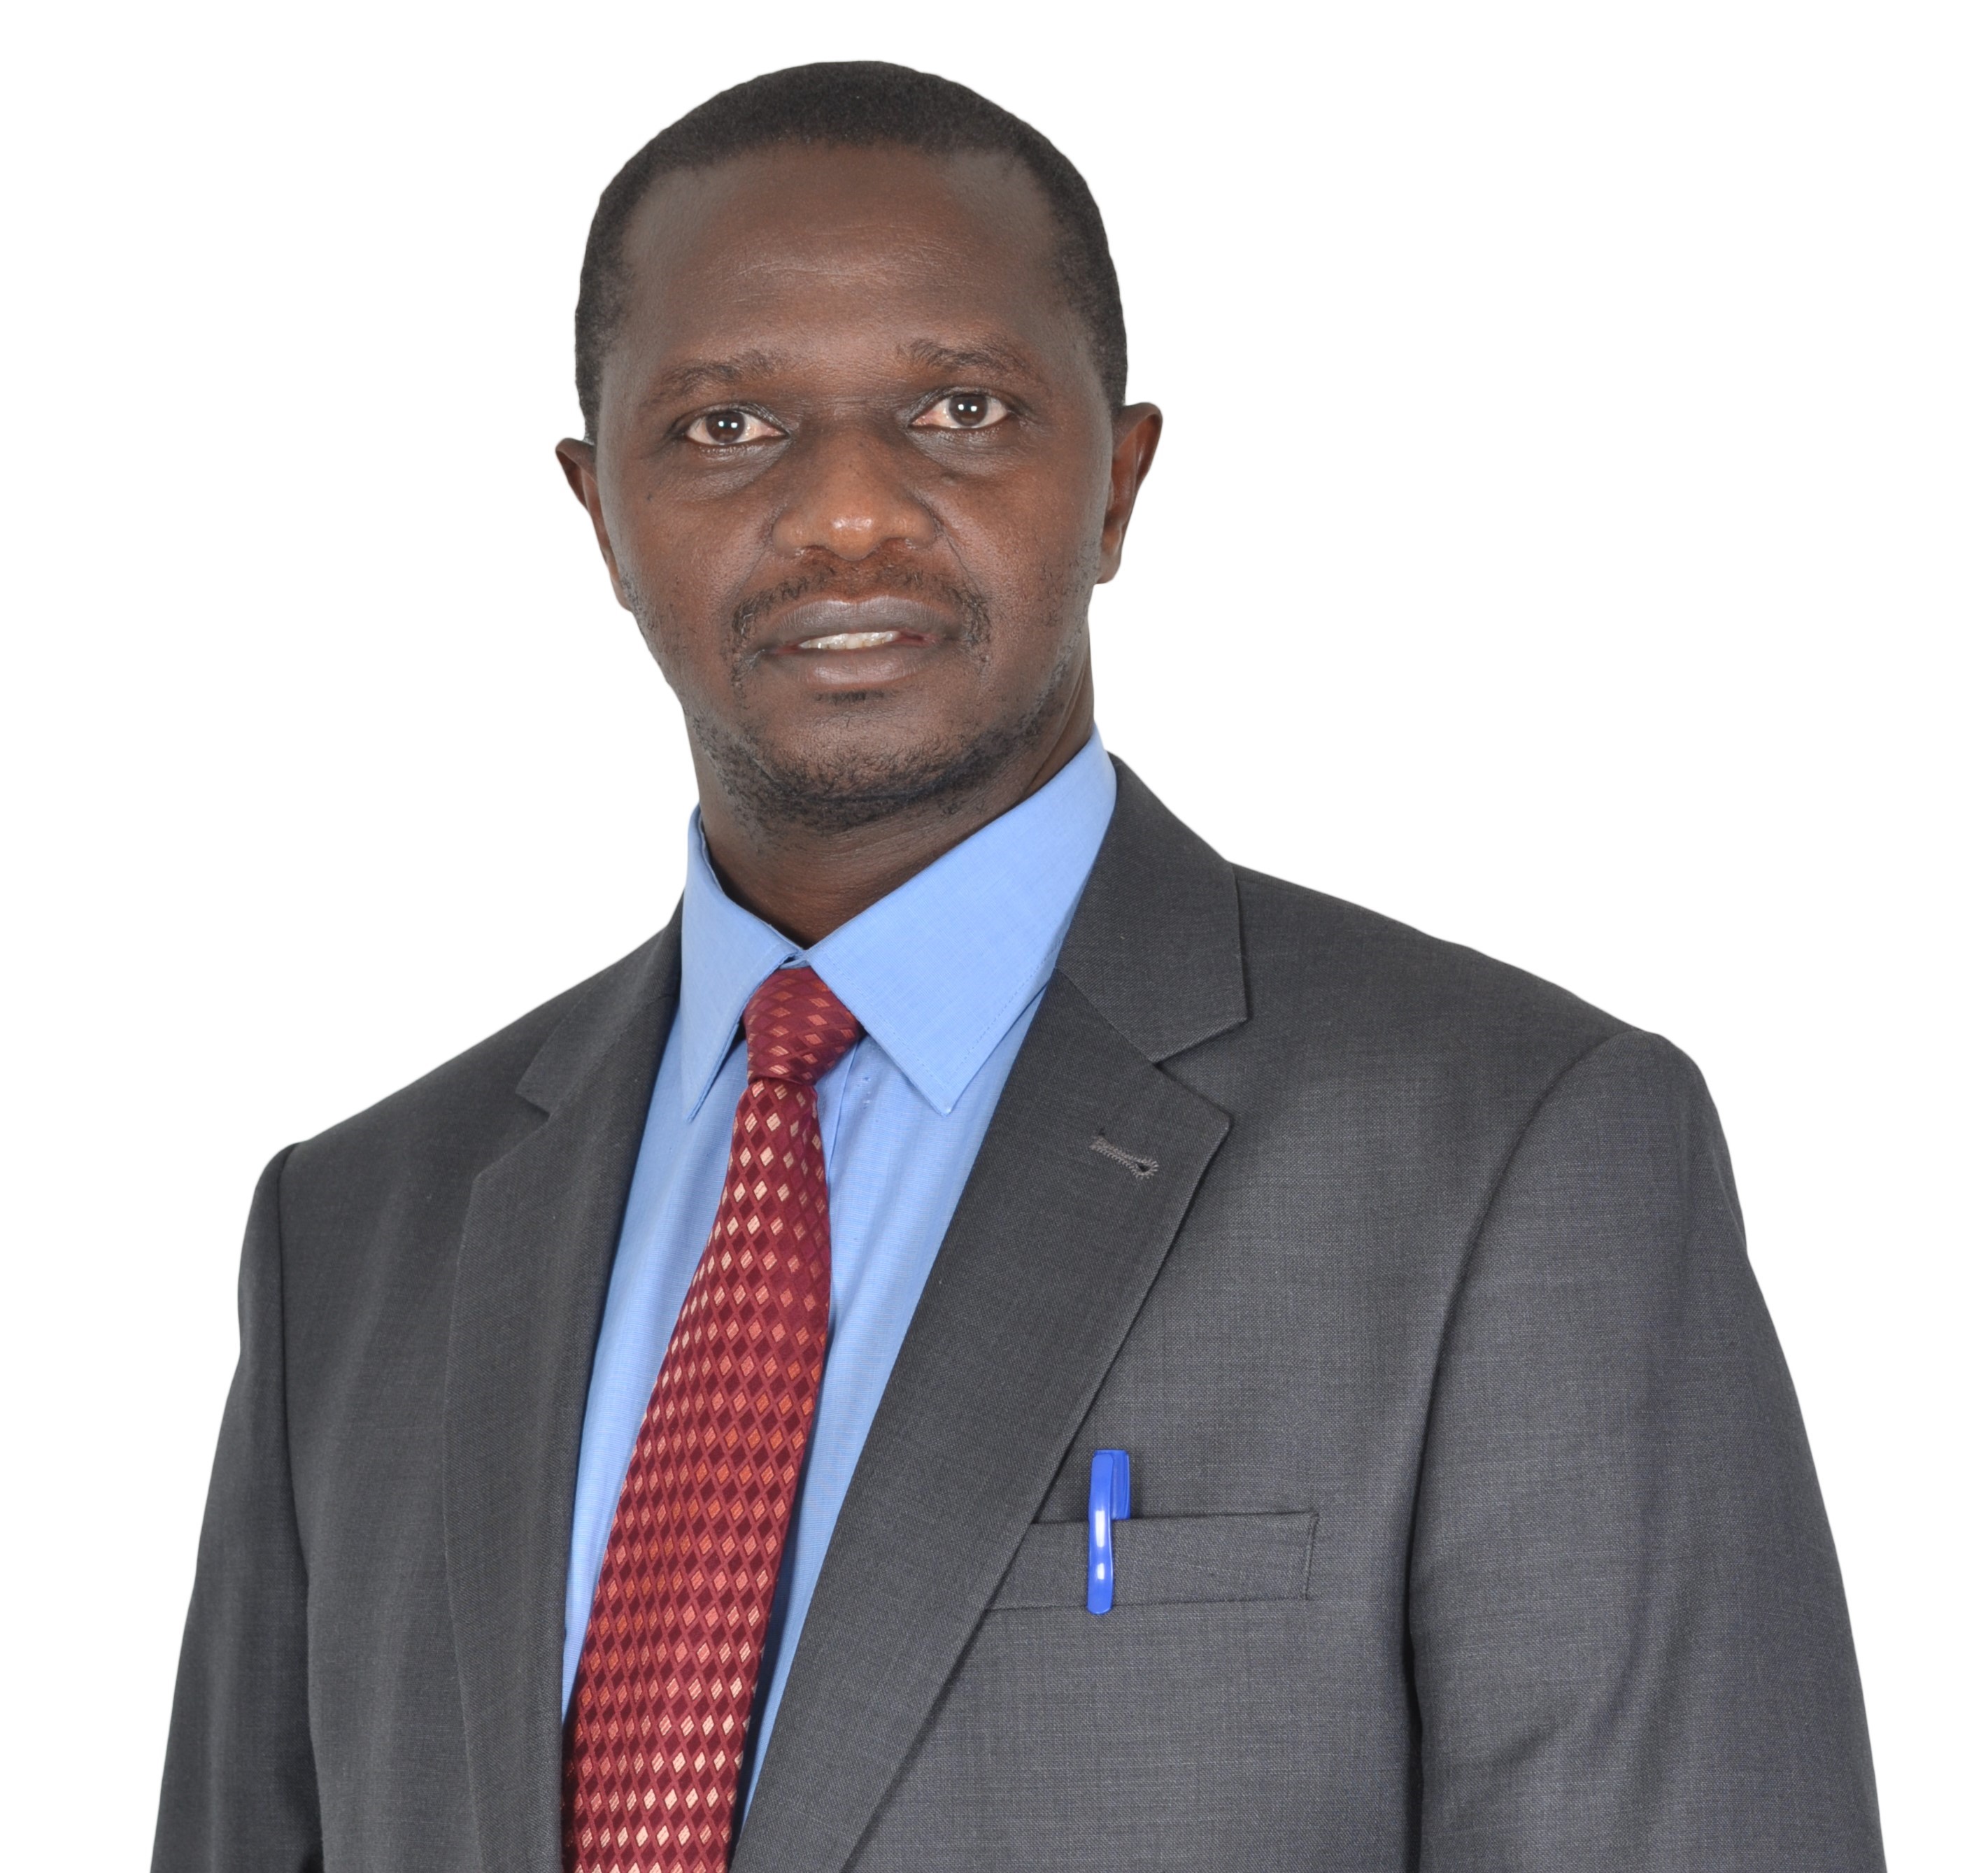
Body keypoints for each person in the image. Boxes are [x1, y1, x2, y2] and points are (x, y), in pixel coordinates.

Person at [152, 61, 1887, 1873]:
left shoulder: (1510, 1161)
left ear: (1118, 482)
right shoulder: (357, 1236)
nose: (846, 514)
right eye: (727, 426)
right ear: (598, 512)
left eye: (960, 409)